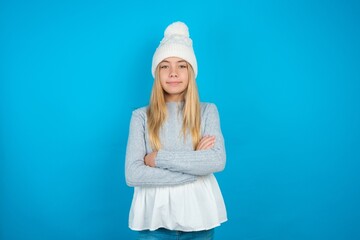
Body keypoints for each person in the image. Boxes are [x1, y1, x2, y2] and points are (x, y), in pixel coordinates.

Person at [125, 21, 227, 240]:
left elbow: (216, 161)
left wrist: (157, 158)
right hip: (154, 220)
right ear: (157, 73)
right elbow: (133, 174)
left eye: (181, 65)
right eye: (165, 66)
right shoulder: (141, 117)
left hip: (198, 216)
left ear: (191, 72)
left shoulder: (207, 111)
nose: (173, 73)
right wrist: (195, 165)